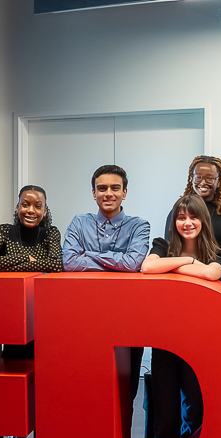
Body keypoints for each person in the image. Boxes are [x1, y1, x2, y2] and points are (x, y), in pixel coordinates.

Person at [63, 164, 151, 401]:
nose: (108, 193)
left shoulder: (139, 226)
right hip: (85, 318)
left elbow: (133, 263)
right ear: (93, 193)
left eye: (115, 188)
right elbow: (70, 262)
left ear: (125, 192)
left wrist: (89, 254)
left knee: (126, 391)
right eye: (102, 188)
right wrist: (116, 262)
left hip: (128, 319)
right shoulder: (80, 223)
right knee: (88, 389)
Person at [141, 194, 221, 438]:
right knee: (165, 417)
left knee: (197, 411)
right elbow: (147, 267)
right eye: (181, 217)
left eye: (193, 217)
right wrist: (189, 261)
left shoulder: (219, 252)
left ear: (203, 221)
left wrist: (169, 266)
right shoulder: (161, 245)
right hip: (165, 341)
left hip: (200, 344)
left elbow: (211, 273)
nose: (187, 222)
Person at [166, 155, 221, 267]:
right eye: (198, 177)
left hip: (219, 277)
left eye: (210, 178)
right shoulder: (177, 212)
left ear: (219, 180)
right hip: (183, 273)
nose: (202, 182)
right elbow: (170, 248)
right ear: (191, 178)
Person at [0, 185, 62, 273]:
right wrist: (25, 257)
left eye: (38, 206)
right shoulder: (5, 231)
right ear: (17, 208)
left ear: (45, 212)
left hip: (41, 286)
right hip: (11, 285)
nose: (31, 210)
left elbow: (56, 265)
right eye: (25, 205)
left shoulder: (51, 233)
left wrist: (5, 268)